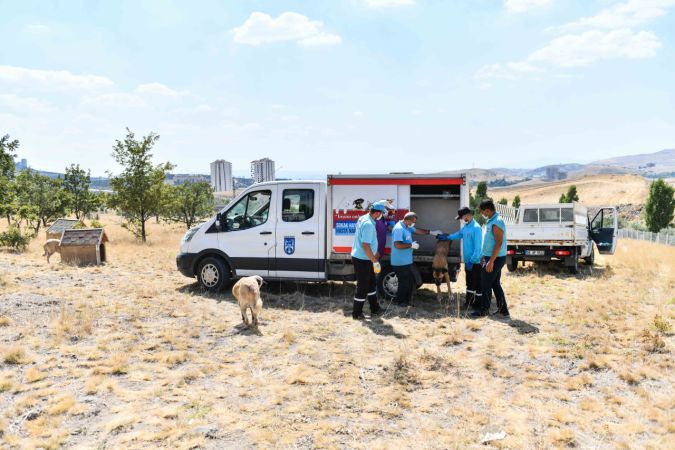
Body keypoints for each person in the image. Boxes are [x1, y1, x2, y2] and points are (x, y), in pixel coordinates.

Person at [436, 206, 483, 311]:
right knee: (469, 283)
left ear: (467, 215)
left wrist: (472, 261)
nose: (461, 219)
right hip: (468, 262)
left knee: (478, 284)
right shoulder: (466, 227)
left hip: (475, 262)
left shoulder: (476, 228)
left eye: (462, 217)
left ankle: (479, 305)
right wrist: (447, 237)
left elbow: (478, 248)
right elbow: (458, 234)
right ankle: (469, 303)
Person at [390, 212, 442, 306]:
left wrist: (431, 232)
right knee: (403, 282)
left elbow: (417, 231)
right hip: (400, 261)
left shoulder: (407, 226)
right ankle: (400, 302)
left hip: (406, 261)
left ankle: (406, 301)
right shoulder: (399, 228)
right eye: (413, 222)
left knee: (408, 281)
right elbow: (397, 245)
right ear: (407, 220)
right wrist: (411, 245)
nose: (413, 224)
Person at [471, 199, 510, 318]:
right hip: (490, 257)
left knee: (485, 284)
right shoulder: (491, 221)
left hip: (495, 259)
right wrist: (484, 255)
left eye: (483, 212)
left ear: (488, 210)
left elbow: (498, 243)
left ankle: (484, 310)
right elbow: (489, 242)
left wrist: (491, 261)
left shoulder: (497, 222)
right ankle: (503, 310)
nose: (483, 214)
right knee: (495, 284)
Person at [350, 202, 387, 319]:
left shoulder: (364, 218)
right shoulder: (368, 224)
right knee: (362, 286)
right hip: (363, 259)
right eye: (382, 213)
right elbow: (365, 245)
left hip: (365, 258)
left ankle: (375, 309)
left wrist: (373, 257)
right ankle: (356, 313)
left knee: (371, 284)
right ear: (377, 212)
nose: (382, 215)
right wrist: (374, 260)